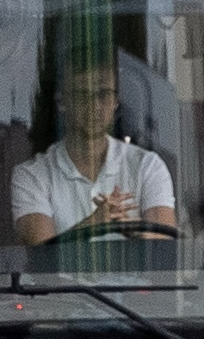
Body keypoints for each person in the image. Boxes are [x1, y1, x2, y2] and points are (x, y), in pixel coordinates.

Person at [12, 58, 176, 245]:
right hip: (59, 277)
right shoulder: (31, 175)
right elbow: (41, 257)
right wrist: (94, 224)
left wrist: (132, 229)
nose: (95, 106)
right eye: (82, 94)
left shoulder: (148, 166)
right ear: (62, 101)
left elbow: (166, 247)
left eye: (103, 94)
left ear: (116, 101)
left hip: (138, 276)